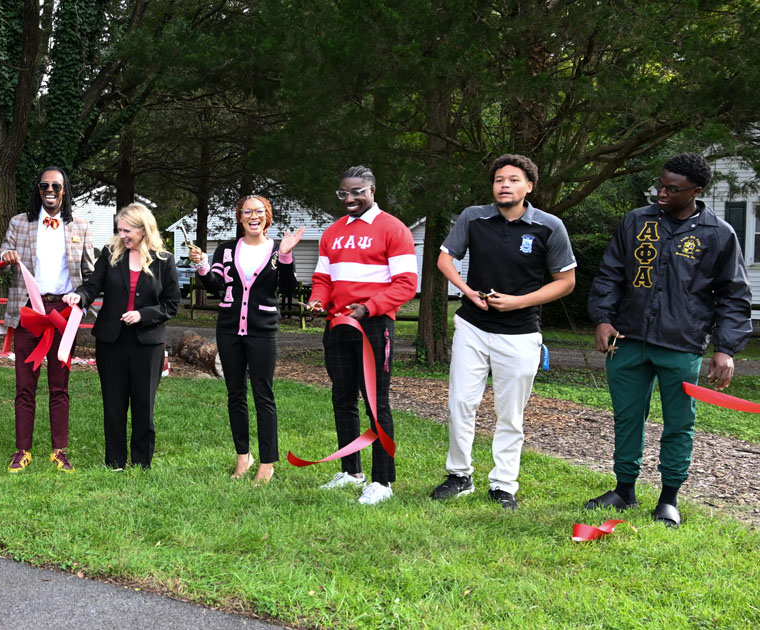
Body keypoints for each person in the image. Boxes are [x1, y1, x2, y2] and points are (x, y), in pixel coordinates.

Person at [586, 152, 751, 528]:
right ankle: (624, 489)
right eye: (660, 184)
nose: (662, 192)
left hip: (682, 344)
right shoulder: (636, 222)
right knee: (628, 418)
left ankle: (668, 498)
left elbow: (733, 295)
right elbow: (611, 273)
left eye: (672, 189)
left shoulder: (718, 235)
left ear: (695, 191)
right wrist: (603, 318)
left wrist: (725, 348)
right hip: (627, 341)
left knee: (679, 423)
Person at [429, 154, 576, 511]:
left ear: (529, 186)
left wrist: (519, 302)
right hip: (472, 326)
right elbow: (445, 259)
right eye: (498, 180)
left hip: (521, 332)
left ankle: (503, 484)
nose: (504, 185)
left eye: (512, 179)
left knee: (510, 413)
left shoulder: (549, 226)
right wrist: (467, 292)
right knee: (461, 403)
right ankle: (459, 475)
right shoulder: (473, 217)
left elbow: (566, 281)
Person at [306, 166, 417, 505]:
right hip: (337, 325)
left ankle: (383, 481)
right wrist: (317, 300)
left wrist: (368, 308)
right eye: (343, 193)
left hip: (373, 325)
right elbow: (324, 279)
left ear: (372, 189)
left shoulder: (393, 229)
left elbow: (406, 284)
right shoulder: (333, 232)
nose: (350, 199)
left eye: (357, 192)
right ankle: (352, 472)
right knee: (342, 398)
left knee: (375, 403)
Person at [191, 195, 303, 484]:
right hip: (228, 330)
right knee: (235, 394)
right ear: (239, 217)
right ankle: (244, 457)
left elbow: (288, 288)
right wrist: (202, 265)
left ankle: (267, 463)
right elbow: (216, 286)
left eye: (259, 211)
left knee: (263, 395)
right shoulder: (227, 250)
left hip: (263, 331)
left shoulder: (278, 250)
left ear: (268, 216)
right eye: (247, 211)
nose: (253, 216)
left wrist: (287, 256)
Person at [64, 203, 180, 470]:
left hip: (147, 343)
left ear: (143, 229)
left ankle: (141, 462)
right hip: (111, 341)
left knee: (143, 405)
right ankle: (115, 462)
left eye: (127, 231)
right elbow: (93, 285)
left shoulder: (164, 260)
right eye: (119, 230)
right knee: (114, 405)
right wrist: (79, 296)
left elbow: (172, 304)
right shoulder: (111, 254)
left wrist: (144, 314)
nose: (122, 236)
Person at [0, 167, 96, 473]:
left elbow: (91, 275)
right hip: (29, 313)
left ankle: (59, 451)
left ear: (65, 190)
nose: (50, 189)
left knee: (59, 385)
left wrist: (82, 297)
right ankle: (22, 450)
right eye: (44, 185)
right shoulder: (20, 223)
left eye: (56, 185)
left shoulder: (80, 225)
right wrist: (6, 257)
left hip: (64, 314)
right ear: (37, 189)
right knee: (25, 385)